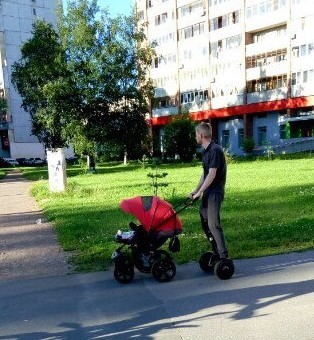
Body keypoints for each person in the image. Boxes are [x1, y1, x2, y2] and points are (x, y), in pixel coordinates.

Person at [189, 122, 228, 259]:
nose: (195, 137)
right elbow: (205, 174)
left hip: (215, 192)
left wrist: (200, 193)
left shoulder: (215, 150)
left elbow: (212, 174)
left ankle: (223, 256)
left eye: (195, 135)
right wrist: (196, 190)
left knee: (213, 225)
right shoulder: (205, 151)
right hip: (208, 192)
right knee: (205, 224)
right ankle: (216, 251)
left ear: (200, 135)